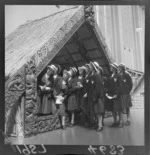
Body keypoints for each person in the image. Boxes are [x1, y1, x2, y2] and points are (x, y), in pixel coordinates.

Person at [90, 61, 105, 132]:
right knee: (96, 111)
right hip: (95, 97)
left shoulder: (96, 75)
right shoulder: (94, 75)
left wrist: (95, 97)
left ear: (94, 67)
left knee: (99, 112)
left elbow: (98, 88)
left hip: (98, 97)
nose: (90, 67)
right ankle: (97, 124)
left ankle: (100, 125)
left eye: (91, 66)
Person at [105, 63, 121, 127]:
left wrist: (117, 94)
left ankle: (120, 122)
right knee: (113, 109)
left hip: (116, 95)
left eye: (111, 67)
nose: (110, 68)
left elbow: (120, 86)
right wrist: (107, 92)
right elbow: (108, 85)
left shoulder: (118, 76)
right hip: (110, 95)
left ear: (114, 68)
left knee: (118, 109)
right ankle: (115, 121)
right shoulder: (110, 76)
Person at [53, 65, 68, 130]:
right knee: (55, 110)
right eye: (64, 73)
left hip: (60, 96)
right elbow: (54, 88)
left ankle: (63, 124)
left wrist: (63, 97)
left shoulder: (63, 80)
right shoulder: (59, 79)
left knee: (62, 110)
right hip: (55, 95)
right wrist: (54, 95)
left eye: (66, 74)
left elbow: (66, 91)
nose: (64, 75)